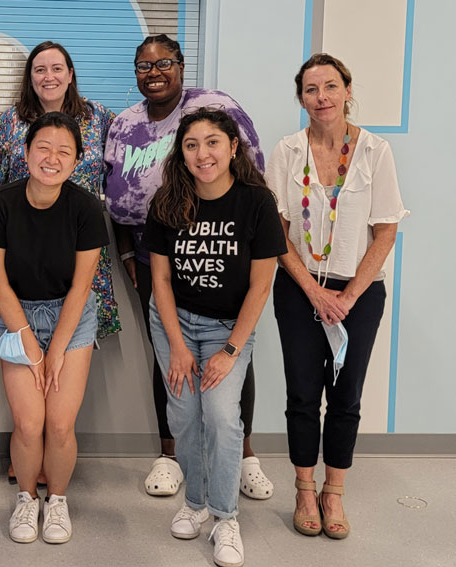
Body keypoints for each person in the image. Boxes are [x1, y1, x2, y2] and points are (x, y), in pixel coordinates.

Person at [104, 34, 273, 500]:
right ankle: (171, 453)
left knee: (233, 359)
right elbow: (111, 196)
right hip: (151, 258)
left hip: (225, 253)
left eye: (164, 63)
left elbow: (252, 175)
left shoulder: (213, 107)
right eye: (144, 65)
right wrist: (124, 255)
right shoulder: (123, 124)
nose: (154, 72)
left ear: (181, 66)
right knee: (169, 359)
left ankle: (244, 457)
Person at [266, 53, 408, 539]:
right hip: (298, 289)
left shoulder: (374, 151)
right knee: (303, 394)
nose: (321, 97)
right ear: (301, 98)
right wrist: (312, 290)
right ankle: (304, 488)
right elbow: (277, 233)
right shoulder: (287, 151)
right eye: (310, 89)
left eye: (330, 86)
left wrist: (346, 298)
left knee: (345, 397)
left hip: (360, 294)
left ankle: (335, 492)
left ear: (348, 90)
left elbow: (386, 231)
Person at [145, 108, 286, 567]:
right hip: (175, 322)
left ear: (231, 147)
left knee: (224, 417)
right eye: (191, 144)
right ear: (181, 153)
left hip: (229, 327)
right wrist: (179, 347)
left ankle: (226, 519)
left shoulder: (257, 202)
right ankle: (196, 502)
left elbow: (261, 285)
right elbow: (160, 283)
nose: (202, 153)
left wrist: (229, 351)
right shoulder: (167, 202)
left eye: (212, 143)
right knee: (183, 415)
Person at [0, 112, 107, 544]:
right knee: (29, 423)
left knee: (61, 424)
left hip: (73, 314)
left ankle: (59, 502)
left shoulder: (86, 207)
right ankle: (27, 498)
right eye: (43, 148)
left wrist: (56, 351)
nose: (52, 158)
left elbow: (82, 286)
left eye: (63, 152)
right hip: (17, 315)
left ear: (76, 160)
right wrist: (31, 344)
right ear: (26, 152)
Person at [0, 40, 119, 484]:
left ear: (70, 73)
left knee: (63, 378)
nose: (48, 76)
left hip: (79, 253)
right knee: (27, 401)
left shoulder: (101, 118)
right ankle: (27, 454)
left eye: (57, 67)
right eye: (39, 68)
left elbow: (119, 179)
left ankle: (55, 458)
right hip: (20, 253)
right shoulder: (7, 122)